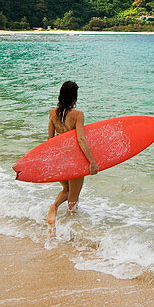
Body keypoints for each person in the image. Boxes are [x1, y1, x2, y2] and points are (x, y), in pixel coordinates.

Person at [46, 80, 98, 230]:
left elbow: (50, 140)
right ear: (74, 97)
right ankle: (71, 228)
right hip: (74, 160)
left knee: (67, 190)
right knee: (73, 198)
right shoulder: (78, 115)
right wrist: (92, 162)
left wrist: (52, 161)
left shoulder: (52, 114)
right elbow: (81, 139)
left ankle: (54, 207)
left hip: (59, 159)